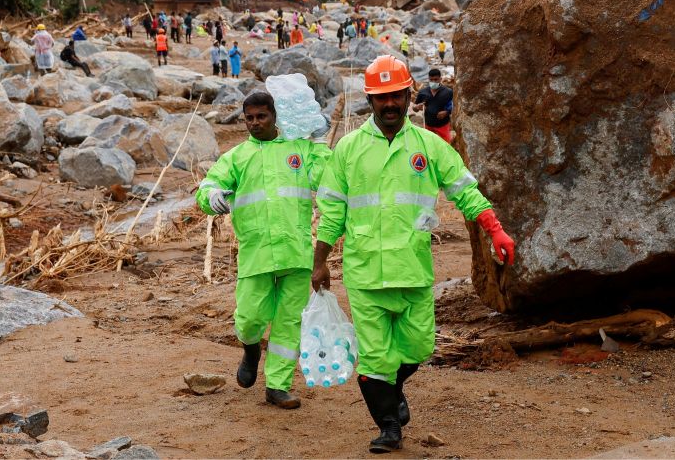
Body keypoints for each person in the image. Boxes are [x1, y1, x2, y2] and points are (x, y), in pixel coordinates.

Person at [313, 56, 515, 453]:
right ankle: (389, 426)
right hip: (365, 272)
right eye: (381, 98)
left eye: (396, 96)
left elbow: (464, 191)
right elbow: (333, 211)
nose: (390, 105)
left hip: (413, 269)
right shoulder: (348, 150)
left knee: (419, 348)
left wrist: (495, 229)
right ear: (369, 101)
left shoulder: (429, 147)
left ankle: (393, 389)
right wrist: (319, 262)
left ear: (410, 97)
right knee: (375, 359)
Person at [196, 91, 332, 410]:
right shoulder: (237, 156)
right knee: (249, 318)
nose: (255, 123)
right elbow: (208, 185)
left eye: (261, 116)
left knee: (288, 323)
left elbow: (328, 178)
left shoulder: (298, 150)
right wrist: (211, 196)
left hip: (296, 253)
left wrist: (320, 142)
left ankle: (277, 386)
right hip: (255, 254)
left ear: (275, 117)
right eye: (249, 118)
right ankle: (251, 349)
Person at [413, 69, 454, 143]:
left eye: (436, 79)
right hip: (428, 125)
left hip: (443, 126)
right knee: (429, 145)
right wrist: (417, 107)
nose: (433, 82)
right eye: (431, 80)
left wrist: (446, 112)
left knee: (446, 146)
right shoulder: (423, 92)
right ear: (428, 79)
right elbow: (415, 108)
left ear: (440, 79)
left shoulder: (448, 92)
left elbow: (454, 106)